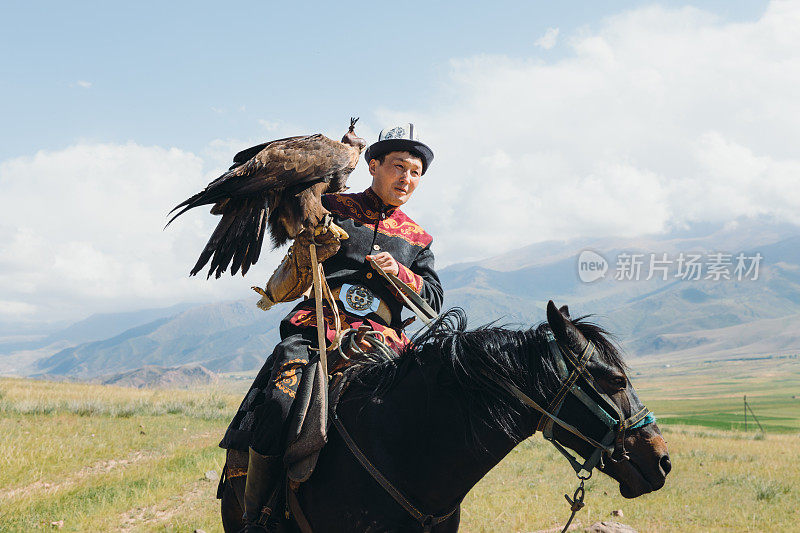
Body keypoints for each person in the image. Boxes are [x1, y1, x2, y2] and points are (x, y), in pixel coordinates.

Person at [218, 124, 443, 530]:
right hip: (319, 329)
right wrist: (309, 243)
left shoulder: (418, 239)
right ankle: (258, 515)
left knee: (434, 417)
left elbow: (435, 301)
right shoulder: (331, 208)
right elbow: (287, 249)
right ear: (372, 166)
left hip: (387, 342)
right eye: (398, 167)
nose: (406, 178)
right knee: (278, 402)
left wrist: (402, 275)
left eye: (414, 172)